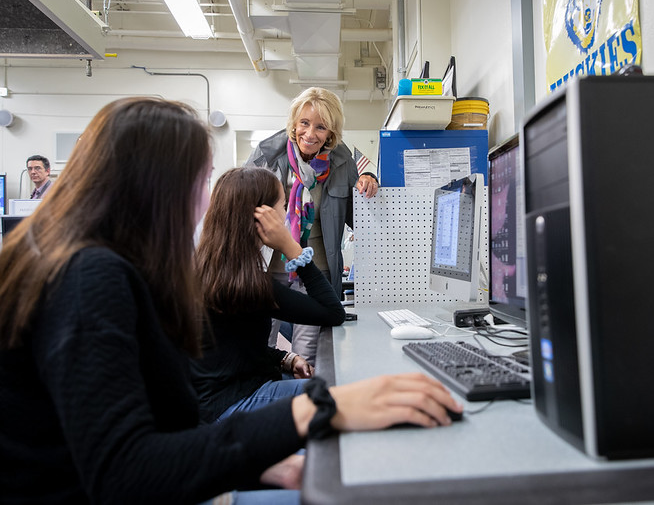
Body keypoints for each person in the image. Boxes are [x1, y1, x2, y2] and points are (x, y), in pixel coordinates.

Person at [0, 97, 462, 504]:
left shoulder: (113, 268)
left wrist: (253, 463)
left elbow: (159, 426)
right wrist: (313, 409)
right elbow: (126, 474)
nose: (207, 200)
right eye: (202, 181)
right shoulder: (88, 281)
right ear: (155, 187)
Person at [193, 166, 346, 424]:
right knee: (342, 391)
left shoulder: (211, 270)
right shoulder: (248, 283)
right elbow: (333, 312)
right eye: (282, 207)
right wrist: (291, 247)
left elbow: (233, 350)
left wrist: (285, 358)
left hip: (214, 402)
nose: (286, 216)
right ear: (261, 217)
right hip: (235, 403)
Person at [245, 87, 378, 366]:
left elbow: (358, 217)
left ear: (330, 133)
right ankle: (265, 398)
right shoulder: (267, 157)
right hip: (269, 269)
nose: (310, 133)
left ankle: (304, 403)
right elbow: (243, 210)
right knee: (258, 345)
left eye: (320, 127)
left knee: (309, 355)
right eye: (304, 123)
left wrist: (369, 178)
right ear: (294, 123)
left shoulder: (342, 162)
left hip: (315, 271)